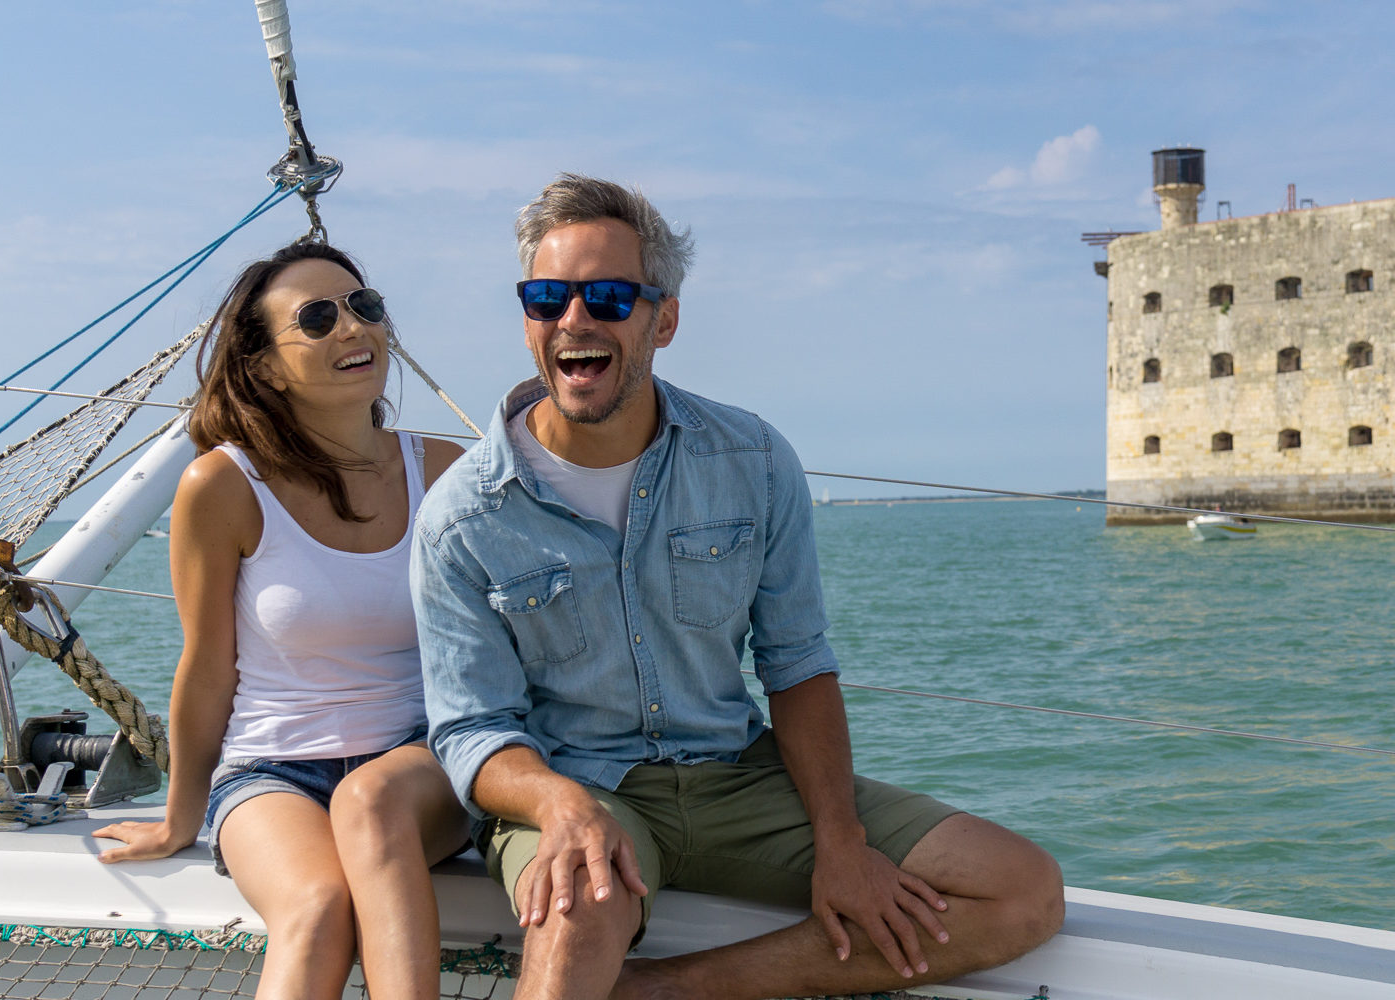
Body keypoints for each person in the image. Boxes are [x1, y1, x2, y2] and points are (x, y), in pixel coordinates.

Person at [414, 174, 1064, 1000]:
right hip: (582, 787)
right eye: (548, 298)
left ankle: (667, 989)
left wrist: (841, 840)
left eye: (609, 297)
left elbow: (797, 664)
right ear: (528, 320)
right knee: (573, 911)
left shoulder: (752, 461)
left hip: (740, 774)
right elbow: (472, 730)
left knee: (1022, 889)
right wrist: (555, 804)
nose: (575, 320)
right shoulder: (463, 517)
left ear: (666, 317)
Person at [93, 242, 472, 1000]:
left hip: (420, 759)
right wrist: (179, 818)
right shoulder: (222, 486)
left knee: (374, 817)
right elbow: (207, 668)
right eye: (318, 318)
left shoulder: (448, 470)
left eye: (365, 307)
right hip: (273, 771)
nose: (352, 329)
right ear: (265, 366)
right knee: (317, 906)